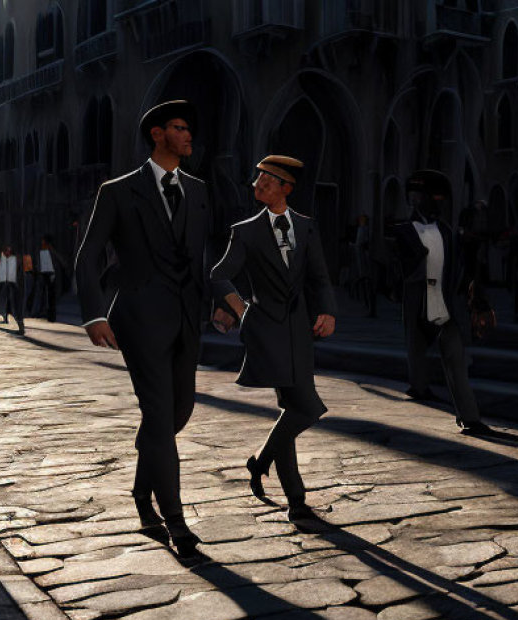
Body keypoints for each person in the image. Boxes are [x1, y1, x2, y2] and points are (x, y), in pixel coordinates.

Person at [74, 99, 245, 561]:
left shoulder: (199, 189)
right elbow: (88, 255)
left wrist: (222, 305)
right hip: (138, 318)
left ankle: (139, 488)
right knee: (158, 414)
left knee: (176, 414)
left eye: (190, 129)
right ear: (156, 134)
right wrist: (94, 315)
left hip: (187, 319)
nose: (188, 135)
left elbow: (202, 259)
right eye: (178, 128)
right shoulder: (118, 190)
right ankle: (176, 523)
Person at [210, 156, 337, 525]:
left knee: (294, 407)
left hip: (299, 330)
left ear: (286, 188)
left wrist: (327, 312)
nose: (258, 185)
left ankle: (293, 498)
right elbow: (220, 276)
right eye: (257, 179)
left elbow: (319, 276)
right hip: (265, 328)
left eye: (267, 181)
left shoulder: (307, 227)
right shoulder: (245, 230)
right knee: (307, 407)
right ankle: (268, 467)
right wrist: (241, 308)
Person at [390, 169, 494, 436]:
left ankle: (469, 417)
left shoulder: (447, 232)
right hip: (417, 304)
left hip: (444, 305)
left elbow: (460, 266)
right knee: (416, 350)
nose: (436, 202)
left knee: (456, 359)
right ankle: (419, 387)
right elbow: (397, 269)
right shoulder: (403, 231)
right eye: (431, 197)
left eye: (439, 198)